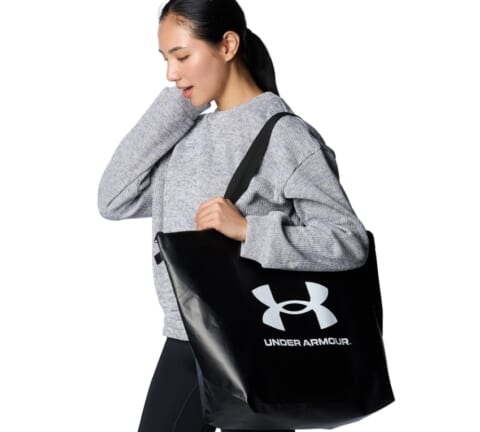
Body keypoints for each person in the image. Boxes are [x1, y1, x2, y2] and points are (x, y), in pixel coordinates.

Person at [97, 0, 370, 431]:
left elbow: (349, 241)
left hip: (262, 340)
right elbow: (113, 199)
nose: (171, 73)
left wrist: (249, 230)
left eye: (182, 56)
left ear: (227, 45)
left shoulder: (286, 136)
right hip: (187, 338)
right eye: (165, 59)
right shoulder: (185, 136)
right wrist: (179, 108)